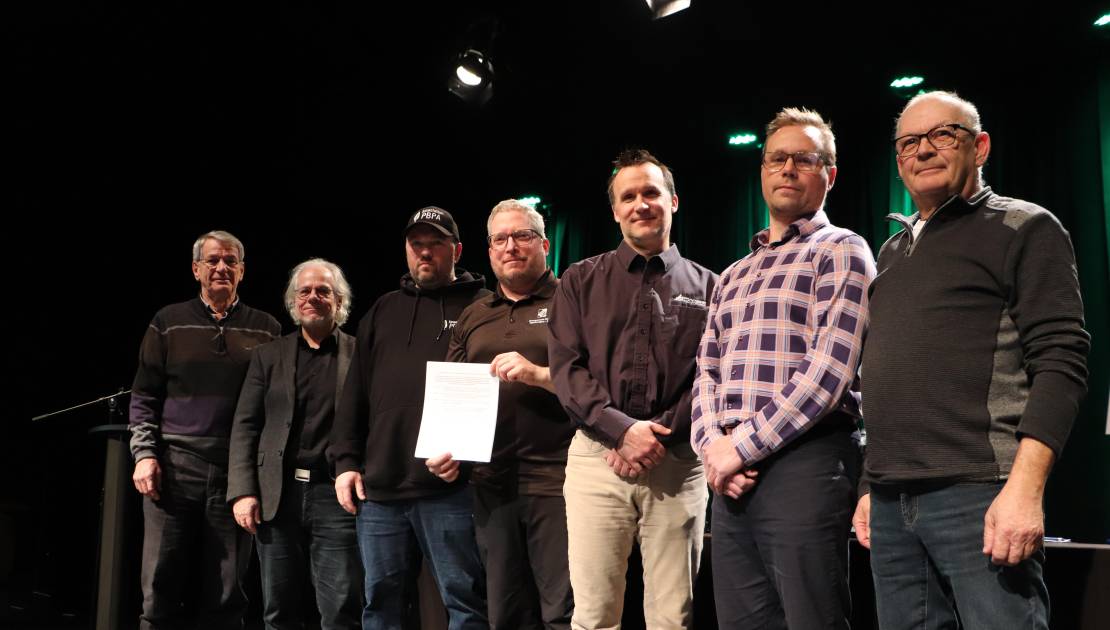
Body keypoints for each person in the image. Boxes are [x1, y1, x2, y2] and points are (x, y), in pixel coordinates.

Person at [853, 90, 1090, 629]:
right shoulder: (891, 252)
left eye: (943, 135)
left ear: (979, 147)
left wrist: (1025, 490)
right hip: (892, 502)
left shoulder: (1025, 227)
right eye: (909, 142)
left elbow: (1062, 359)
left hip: (979, 494)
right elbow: (882, 378)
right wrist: (871, 484)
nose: (924, 150)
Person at [691, 107, 875, 629]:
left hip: (806, 463)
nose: (788, 168)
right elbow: (706, 370)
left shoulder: (841, 251)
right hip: (731, 478)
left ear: (830, 175)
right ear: (763, 171)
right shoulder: (731, 274)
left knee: (810, 619)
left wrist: (737, 448)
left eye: (804, 158)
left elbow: (829, 372)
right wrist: (712, 450)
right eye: (777, 158)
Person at [548, 149, 716, 629]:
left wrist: (651, 436)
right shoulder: (578, 280)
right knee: (594, 614)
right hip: (595, 462)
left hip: (678, 462)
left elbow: (713, 376)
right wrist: (620, 432)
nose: (641, 204)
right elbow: (566, 369)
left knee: (672, 617)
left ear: (673, 201)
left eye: (651, 192)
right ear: (615, 210)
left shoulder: (712, 286)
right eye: (629, 196)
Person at [328, 207, 490, 630]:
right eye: (416, 245)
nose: (424, 253)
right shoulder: (383, 310)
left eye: (434, 244)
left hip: (450, 489)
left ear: (455, 250)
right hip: (380, 491)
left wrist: (468, 460)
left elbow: (491, 397)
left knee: (464, 602)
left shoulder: (481, 307)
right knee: (380, 604)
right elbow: (354, 395)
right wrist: (345, 463)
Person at [426, 199, 576, 630]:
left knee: (563, 612)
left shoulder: (572, 299)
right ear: (489, 251)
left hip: (559, 482)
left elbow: (595, 385)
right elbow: (450, 394)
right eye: (499, 239)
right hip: (492, 487)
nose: (510, 246)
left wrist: (537, 375)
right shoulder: (474, 315)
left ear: (545, 243)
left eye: (522, 236)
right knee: (506, 613)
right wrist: (446, 451)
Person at [129, 229, 282, 629]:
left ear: (243, 271)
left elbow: (274, 410)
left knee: (228, 595)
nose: (221, 268)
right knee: (160, 588)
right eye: (212, 261)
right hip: (175, 469)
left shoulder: (267, 329)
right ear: (196, 269)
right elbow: (144, 395)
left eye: (230, 261)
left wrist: (256, 478)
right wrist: (144, 455)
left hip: (236, 474)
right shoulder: (168, 322)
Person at [227, 258, 362, 629]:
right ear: (293, 300)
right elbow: (245, 425)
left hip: (335, 496)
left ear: (339, 301)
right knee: (279, 611)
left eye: (323, 290)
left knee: (341, 609)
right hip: (277, 495)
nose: (312, 297)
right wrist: (242, 491)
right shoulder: (269, 356)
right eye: (304, 290)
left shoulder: (360, 354)